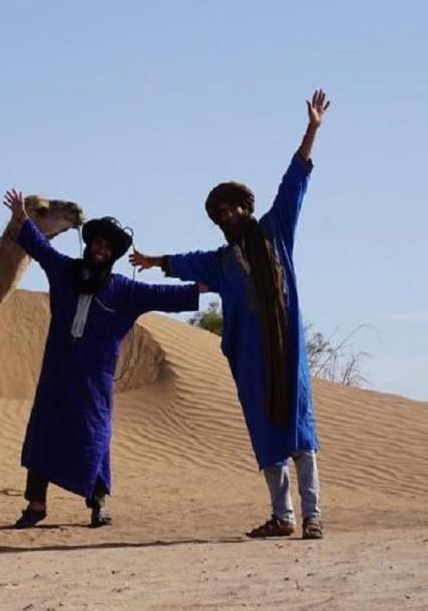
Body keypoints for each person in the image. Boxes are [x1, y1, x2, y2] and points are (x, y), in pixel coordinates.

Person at [130, 90, 330, 540]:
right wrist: (154, 261)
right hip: (250, 359)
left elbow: (293, 183)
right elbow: (185, 262)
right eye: (221, 212)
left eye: (233, 207)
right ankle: (284, 517)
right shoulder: (220, 262)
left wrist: (312, 129)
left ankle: (313, 515)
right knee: (265, 433)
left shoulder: (276, 232)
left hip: (287, 353)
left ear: (246, 208)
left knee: (301, 431)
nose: (229, 214)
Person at [5, 190, 203, 529]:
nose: (100, 250)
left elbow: (165, 295)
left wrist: (208, 286)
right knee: (43, 434)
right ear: (89, 245)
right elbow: (41, 249)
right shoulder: (65, 270)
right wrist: (21, 219)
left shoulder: (125, 290)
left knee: (94, 436)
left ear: (112, 254)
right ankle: (35, 505)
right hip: (57, 370)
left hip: (94, 380)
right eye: (97, 244)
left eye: (107, 248)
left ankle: (97, 505)